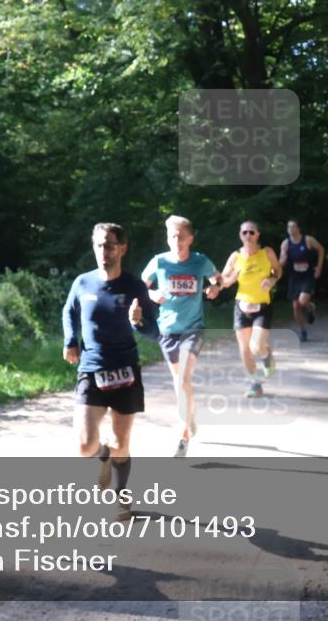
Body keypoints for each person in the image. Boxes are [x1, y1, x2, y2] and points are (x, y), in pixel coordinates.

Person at [63, 223, 159, 520]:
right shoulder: (83, 282)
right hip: (92, 368)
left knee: (121, 444)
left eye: (109, 245)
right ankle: (101, 456)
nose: (103, 252)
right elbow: (69, 311)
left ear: (122, 249)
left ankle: (121, 495)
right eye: (99, 245)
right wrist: (70, 340)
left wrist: (139, 321)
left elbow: (154, 332)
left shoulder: (134, 287)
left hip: (125, 370)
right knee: (84, 446)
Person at [141, 215, 221, 457]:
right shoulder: (159, 262)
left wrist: (215, 287)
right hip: (167, 330)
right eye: (172, 237)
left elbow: (217, 278)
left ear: (190, 239)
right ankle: (190, 419)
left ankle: (183, 435)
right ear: (168, 238)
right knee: (180, 381)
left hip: (193, 328)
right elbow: (141, 285)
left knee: (183, 379)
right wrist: (152, 295)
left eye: (181, 237)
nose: (176, 241)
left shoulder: (200, 261)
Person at [220, 220, 282, 398]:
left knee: (256, 346)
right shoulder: (235, 257)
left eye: (252, 232)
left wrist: (272, 280)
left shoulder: (267, 252)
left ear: (257, 235)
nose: (248, 235)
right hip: (242, 307)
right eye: (244, 232)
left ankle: (266, 355)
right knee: (245, 349)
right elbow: (222, 279)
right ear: (240, 235)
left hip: (262, 306)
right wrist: (229, 280)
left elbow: (278, 270)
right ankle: (255, 384)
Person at [278, 219, 325, 342]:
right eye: (289, 227)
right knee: (296, 306)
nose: (291, 229)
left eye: (293, 226)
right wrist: (277, 266)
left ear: (299, 228)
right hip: (294, 276)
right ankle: (302, 331)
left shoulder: (308, 240)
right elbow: (282, 260)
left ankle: (310, 307)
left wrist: (319, 267)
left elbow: (321, 249)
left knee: (303, 301)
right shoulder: (285, 244)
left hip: (307, 275)